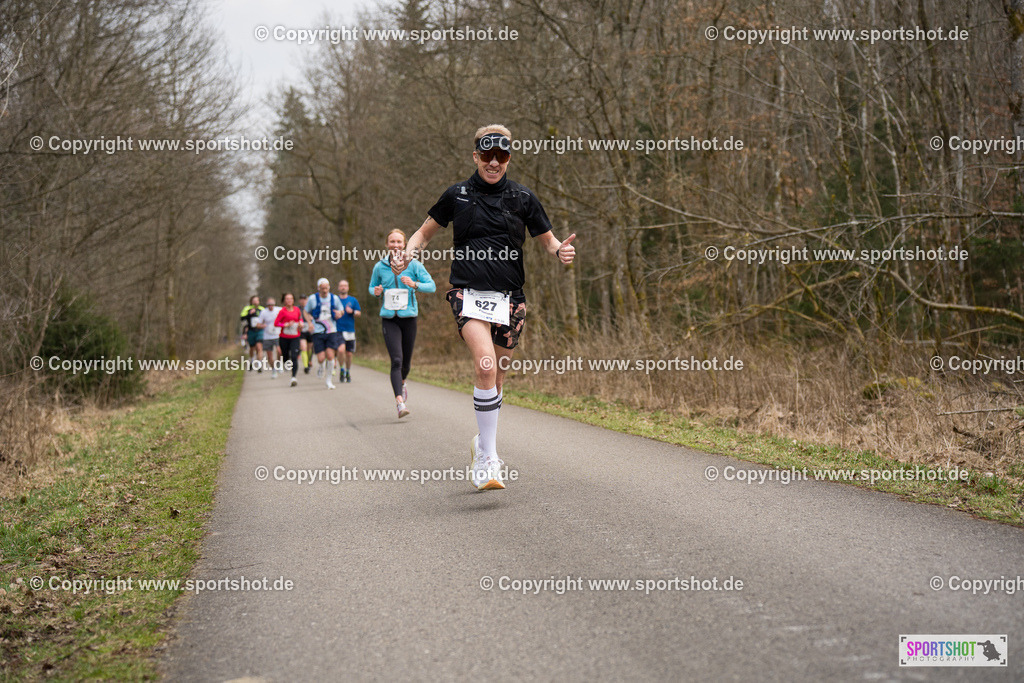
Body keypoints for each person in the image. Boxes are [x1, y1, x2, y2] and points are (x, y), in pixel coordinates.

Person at [392, 124, 576, 490]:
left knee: (498, 378)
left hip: (510, 299)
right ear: (475, 156)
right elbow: (424, 233)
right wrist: (408, 254)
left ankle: (482, 442)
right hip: (469, 295)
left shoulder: (523, 198)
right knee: (486, 366)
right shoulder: (457, 195)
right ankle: (488, 460)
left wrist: (561, 251)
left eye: (501, 156)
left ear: (508, 158)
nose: (494, 163)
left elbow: (550, 242)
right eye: (487, 155)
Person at [370, 229, 435, 418]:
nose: (396, 245)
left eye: (399, 242)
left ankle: (402, 381)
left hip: (409, 319)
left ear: (405, 243)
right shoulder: (380, 266)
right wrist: (376, 291)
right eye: (392, 242)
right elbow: (371, 286)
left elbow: (431, 286)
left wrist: (415, 284)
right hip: (389, 320)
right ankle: (400, 402)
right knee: (396, 360)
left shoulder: (413, 265)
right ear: (387, 244)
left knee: (406, 363)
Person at [304, 278, 343, 390]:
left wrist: (339, 313)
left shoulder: (334, 298)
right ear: (318, 288)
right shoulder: (312, 299)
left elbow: (341, 310)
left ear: (329, 287)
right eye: (322, 288)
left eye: (326, 288)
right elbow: (306, 312)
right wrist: (309, 323)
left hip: (331, 330)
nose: (325, 290)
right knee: (321, 358)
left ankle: (329, 380)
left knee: (330, 356)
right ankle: (321, 367)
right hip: (318, 331)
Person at [335, 279, 361, 383]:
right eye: (341, 286)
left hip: (350, 329)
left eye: (345, 286)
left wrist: (353, 311)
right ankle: (341, 368)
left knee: (349, 354)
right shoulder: (335, 299)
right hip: (338, 329)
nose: (343, 287)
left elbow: (359, 313)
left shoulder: (353, 300)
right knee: (341, 350)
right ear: (338, 287)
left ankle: (347, 371)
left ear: (348, 287)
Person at [239, 295, 264, 372]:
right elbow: (242, 318)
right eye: (254, 300)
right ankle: (252, 360)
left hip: (260, 330)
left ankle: (259, 365)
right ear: (251, 301)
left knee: (259, 347)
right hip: (251, 331)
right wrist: (249, 314)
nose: (255, 302)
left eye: (257, 300)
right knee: (252, 348)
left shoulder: (262, 309)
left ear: (259, 301)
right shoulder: (247, 308)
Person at [258, 297, 282, 378]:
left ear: (274, 304)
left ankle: (278, 363)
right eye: (269, 305)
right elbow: (258, 324)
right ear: (267, 305)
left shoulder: (279, 310)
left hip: (278, 335)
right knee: (269, 356)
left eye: (272, 304)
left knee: (279, 351)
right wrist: (262, 325)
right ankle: (273, 369)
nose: (270, 306)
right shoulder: (263, 312)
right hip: (267, 336)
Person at [297, 295, 312, 374]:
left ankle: (309, 361)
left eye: (304, 299)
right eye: (301, 299)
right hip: (301, 331)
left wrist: (311, 321)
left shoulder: (311, 308)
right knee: (303, 348)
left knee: (309, 349)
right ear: (299, 300)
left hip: (310, 330)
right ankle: (306, 366)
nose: (303, 301)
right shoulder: (297, 309)